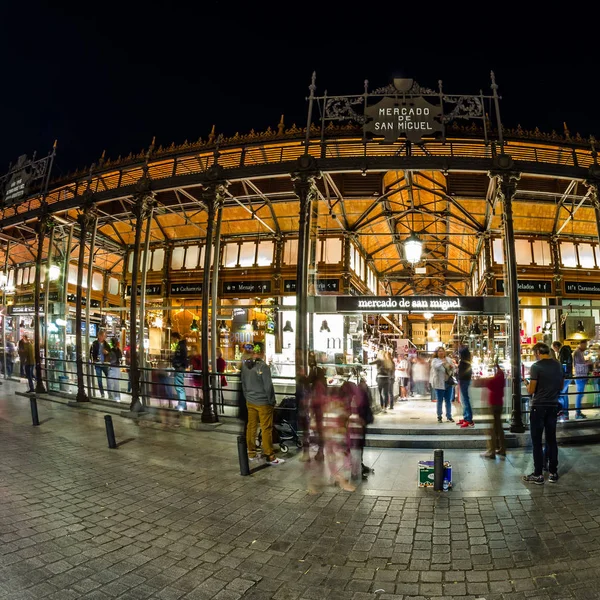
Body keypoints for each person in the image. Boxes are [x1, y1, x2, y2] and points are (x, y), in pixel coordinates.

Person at [523, 342, 563, 484]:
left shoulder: (536, 367)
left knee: (537, 441)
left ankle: (538, 474)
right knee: (551, 439)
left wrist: (526, 383)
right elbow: (561, 385)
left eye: (535, 353)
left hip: (538, 406)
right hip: (553, 406)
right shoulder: (557, 365)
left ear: (538, 352)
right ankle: (553, 472)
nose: (535, 355)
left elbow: (531, 390)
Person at [242, 342, 283, 465]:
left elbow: (243, 384)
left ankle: (251, 452)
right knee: (266, 428)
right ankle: (269, 455)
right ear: (261, 352)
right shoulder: (263, 367)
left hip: (250, 401)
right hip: (263, 402)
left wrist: (247, 397)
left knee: (251, 426)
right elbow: (268, 386)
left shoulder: (245, 366)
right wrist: (272, 401)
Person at [477, 362, 505, 458]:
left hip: (493, 403)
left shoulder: (496, 379)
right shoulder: (501, 377)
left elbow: (489, 384)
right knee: (499, 428)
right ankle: (502, 449)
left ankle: (491, 451)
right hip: (500, 403)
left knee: (492, 429)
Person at [430, 347, 455, 423]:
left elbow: (453, 368)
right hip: (439, 383)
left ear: (444, 352)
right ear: (437, 353)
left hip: (448, 383)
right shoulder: (435, 360)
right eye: (439, 351)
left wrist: (452, 367)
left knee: (448, 400)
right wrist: (442, 362)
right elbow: (435, 367)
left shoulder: (449, 359)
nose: (441, 353)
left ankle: (449, 416)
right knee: (439, 400)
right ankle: (439, 416)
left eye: (442, 351)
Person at [573, 340, 591, 419]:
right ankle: (578, 413)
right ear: (581, 344)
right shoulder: (577, 352)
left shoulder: (579, 352)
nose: (586, 346)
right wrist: (589, 363)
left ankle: (578, 412)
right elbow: (580, 364)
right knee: (579, 394)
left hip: (581, 376)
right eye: (585, 344)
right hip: (580, 376)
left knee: (580, 394)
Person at [553, 340, 572, 419]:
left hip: (565, 377)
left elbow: (563, 364)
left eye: (554, 349)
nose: (555, 351)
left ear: (556, 346)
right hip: (568, 376)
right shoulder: (566, 350)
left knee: (561, 395)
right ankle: (565, 413)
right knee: (564, 395)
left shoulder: (563, 351)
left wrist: (561, 374)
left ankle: (563, 413)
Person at [90, 329, 111, 398]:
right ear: (99, 336)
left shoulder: (106, 344)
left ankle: (109, 392)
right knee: (99, 379)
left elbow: (110, 353)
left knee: (108, 378)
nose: (103, 337)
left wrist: (107, 353)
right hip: (97, 363)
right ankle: (102, 393)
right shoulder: (94, 343)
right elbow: (91, 353)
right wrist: (93, 360)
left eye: (103, 336)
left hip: (104, 363)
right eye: (101, 335)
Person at [171, 332, 189, 411]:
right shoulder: (182, 345)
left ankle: (182, 404)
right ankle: (181, 403)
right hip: (180, 367)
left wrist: (176, 363)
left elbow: (181, 357)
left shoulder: (180, 346)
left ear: (175, 337)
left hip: (179, 368)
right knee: (178, 386)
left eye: (172, 338)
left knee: (179, 386)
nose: (172, 340)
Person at [457, 347, 474, 428]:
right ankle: (466, 417)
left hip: (464, 381)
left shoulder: (464, 363)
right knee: (463, 400)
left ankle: (469, 420)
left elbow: (464, 373)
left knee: (465, 400)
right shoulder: (466, 362)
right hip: (463, 381)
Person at [107, 337, 123, 401]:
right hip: (117, 368)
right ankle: (117, 397)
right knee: (116, 383)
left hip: (113, 367)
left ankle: (111, 396)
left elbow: (110, 359)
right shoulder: (118, 350)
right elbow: (120, 359)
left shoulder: (111, 350)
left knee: (110, 382)